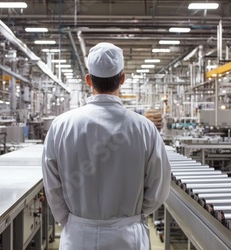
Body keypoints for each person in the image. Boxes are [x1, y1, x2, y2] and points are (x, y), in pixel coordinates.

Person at [42, 42, 171, 249]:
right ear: (122, 78)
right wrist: (131, 217)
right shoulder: (145, 129)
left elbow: (52, 188)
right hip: (128, 238)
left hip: (78, 238)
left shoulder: (61, 126)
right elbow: (159, 189)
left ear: (88, 80)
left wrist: (74, 221)